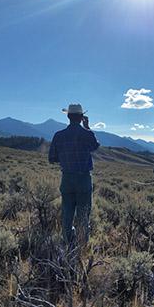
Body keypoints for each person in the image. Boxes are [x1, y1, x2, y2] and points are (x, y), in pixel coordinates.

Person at [48, 104, 100, 248]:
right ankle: (82, 245)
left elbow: (52, 158)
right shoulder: (86, 134)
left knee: (67, 212)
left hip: (67, 178)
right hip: (83, 178)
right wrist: (87, 127)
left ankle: (67, 241)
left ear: (68, 117)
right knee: (83, 214)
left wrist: (66, 158)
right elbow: (95, 146)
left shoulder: (58, 135)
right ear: (81, 117)